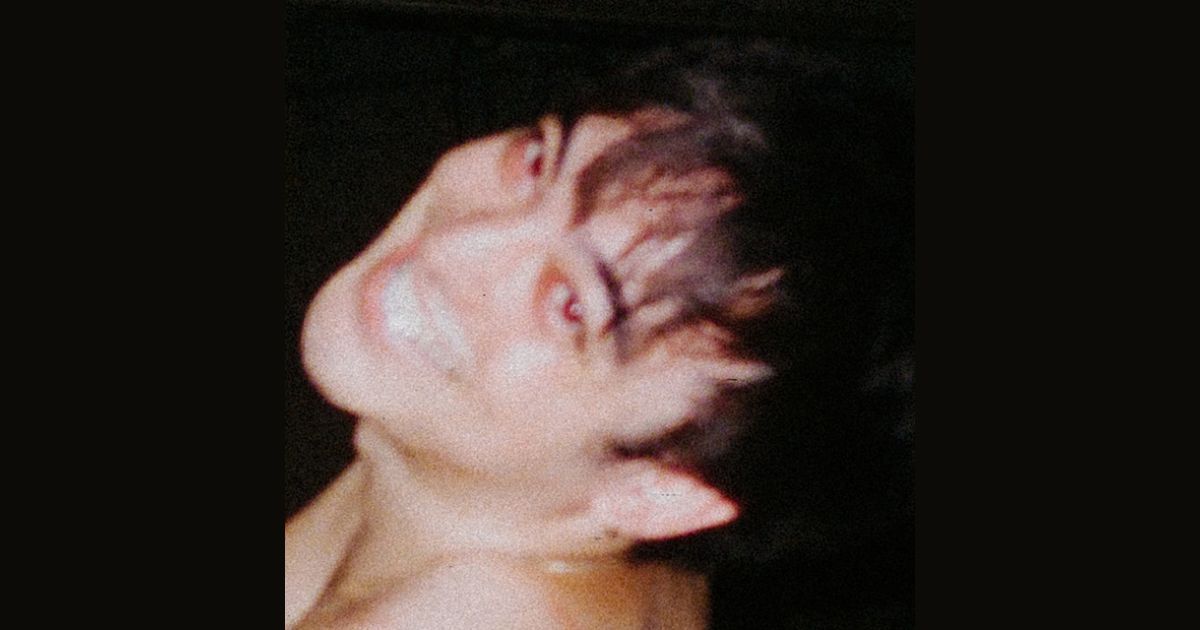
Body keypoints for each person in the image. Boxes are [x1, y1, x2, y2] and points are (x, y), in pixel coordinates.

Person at [286, 38, 913, 629]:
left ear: (653, 494)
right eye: (537, 164)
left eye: (571, 308)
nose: (452, 247)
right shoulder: (447, 472)